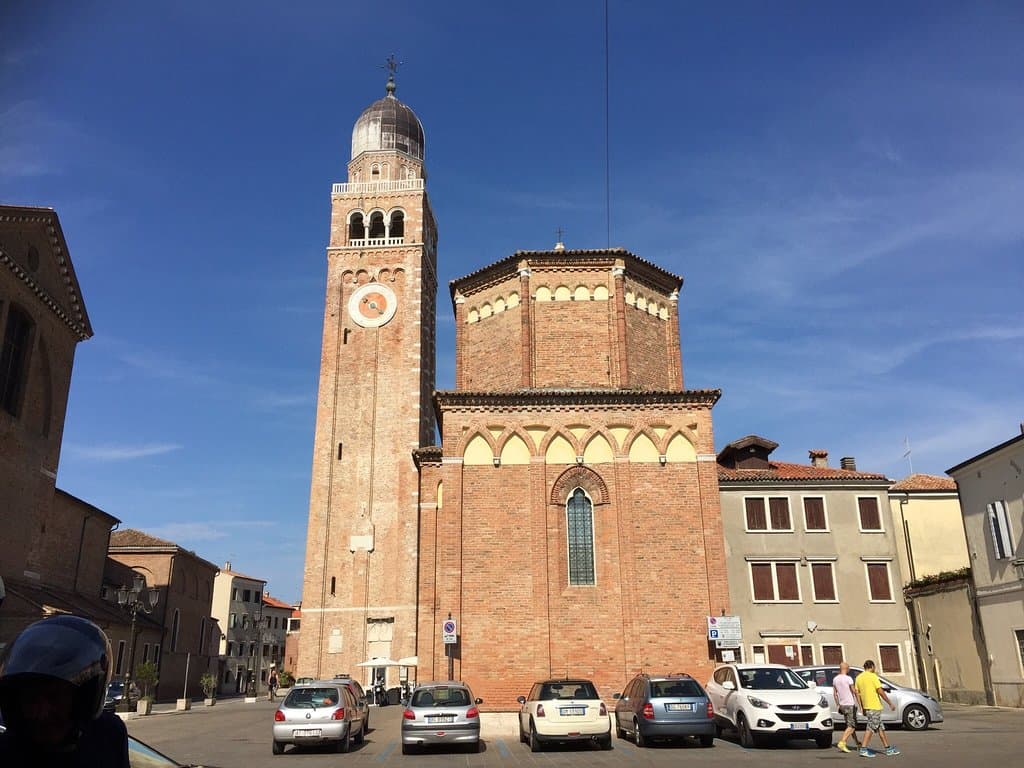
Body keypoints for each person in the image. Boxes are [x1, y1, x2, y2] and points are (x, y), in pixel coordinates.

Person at [0, 614, 130, 767]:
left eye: (54, 697)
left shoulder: (108, 735)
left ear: (84, 698)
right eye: (31, 699)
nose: (42, 712)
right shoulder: (7, 752)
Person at [854, 659, 899, 758]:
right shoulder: (873, 676)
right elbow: (880, 691)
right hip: (874, 706)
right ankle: (864, 749)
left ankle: (888, 748)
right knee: (870, 727)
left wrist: (861, 707)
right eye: (874, 667)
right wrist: (890, 702)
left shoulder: (858, 678)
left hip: (867, 707)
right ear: (872, 667)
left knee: (880, 727)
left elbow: (857, 694)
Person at [832, 662, 861, 753]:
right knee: (852, 726)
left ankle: (857, 743)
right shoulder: (849, 678)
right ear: (846, 668)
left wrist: (838, 704)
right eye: (848, 668)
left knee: (850, 725)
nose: (849, 670)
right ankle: (842, 742)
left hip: (842, 705)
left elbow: (835, 694)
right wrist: (860, 704)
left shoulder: (835, 679)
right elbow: (854, 691)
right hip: (849, 704)